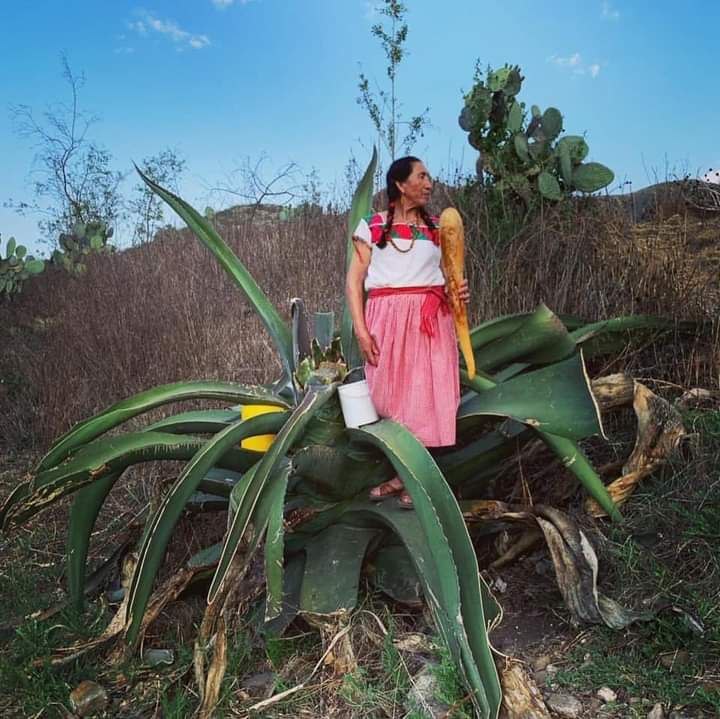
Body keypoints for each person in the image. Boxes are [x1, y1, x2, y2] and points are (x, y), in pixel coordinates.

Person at [345, 156, 469, 507]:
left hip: (430, 320)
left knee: (426, 397)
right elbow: (354, 284)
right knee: (388, 396)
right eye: (421, 176)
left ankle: (410, 479)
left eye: (430, 176)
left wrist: (457, 293)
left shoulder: (437, 229)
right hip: (386, 318)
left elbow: (451, 277)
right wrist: (361, 331)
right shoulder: (371, 226)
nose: (429, 183)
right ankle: (403, 471)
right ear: (400, 184)